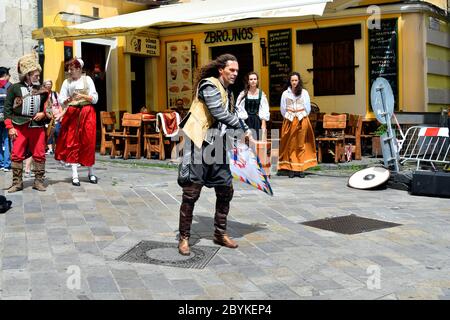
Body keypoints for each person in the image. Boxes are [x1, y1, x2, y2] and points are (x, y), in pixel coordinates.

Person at [177, 53, 253, 256]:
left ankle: (220, 233)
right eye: (231, 70)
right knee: (191, 192)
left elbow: (227, 117)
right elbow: (218, 112)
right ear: (221, 70)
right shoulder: (209, 85)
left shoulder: (229, 92)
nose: (235, 74)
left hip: (217, 144)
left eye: (237, 71)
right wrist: (243, 127)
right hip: (199, 142)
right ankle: (184, 238)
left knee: (225, 189)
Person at [3, 52, 51, 192]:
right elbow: (7, 110)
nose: (38, 77)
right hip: (19, 126)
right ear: (27, 75)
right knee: (16, 154)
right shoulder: (14, 88)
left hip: (37, 127)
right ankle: (17, 183)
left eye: (38, 74)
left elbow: (48, 108)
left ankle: (38, 181)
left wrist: (43, 114)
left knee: (39, 153)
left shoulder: (42, 90)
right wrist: (10, 127)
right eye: (35, 75)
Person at [55, 58, 98, 186]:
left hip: (87, 112)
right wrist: (68, 100)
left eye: (72, 69)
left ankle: (91, 172)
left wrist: (83, 96)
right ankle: (75, 174)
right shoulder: (66, 82)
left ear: (79, 69)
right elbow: (61, 99)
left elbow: (95, 98)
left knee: (88, 142)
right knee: (72, 142)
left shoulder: (88, 79)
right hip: (72, 113)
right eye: (69, 69)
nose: (69, 72)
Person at [278, 72, 317, 178]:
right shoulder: (285, 93)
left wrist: (302, 116)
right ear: (289, 81)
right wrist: (288, 116)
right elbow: (282, 108)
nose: (294, 82)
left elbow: (307, 108)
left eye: (296, 80)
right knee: (291, 144)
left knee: (301, 144)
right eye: (292, 80)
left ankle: (300, 169)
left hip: (302, 119)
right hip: (290, 120)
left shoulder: (304, 92)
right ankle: (291, 168)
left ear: (298, 81)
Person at [236, 72, 270, 140]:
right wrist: (242, 122)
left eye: (255, 79)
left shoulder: (261, 94)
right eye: (251, 79)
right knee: (246, 141)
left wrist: (263, 124)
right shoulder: (243, 94)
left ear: (257, 81)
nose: (253, 81)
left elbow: (264, 109)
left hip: (257, 121)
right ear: (248, 81)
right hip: (246, 120)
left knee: (258, 140)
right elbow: (239, 108)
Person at [43, 79, 62, 155]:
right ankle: (50, 149)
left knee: (57, 131)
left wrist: (61, 115)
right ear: (44, 85)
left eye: (50, 84)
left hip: (56, 116)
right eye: (47, 84)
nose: (48, 85)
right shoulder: (43, 94)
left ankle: (57, 148)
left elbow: (60, 105)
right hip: (47, 116)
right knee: (48, 132)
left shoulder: (55, 94)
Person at [0, 67, 12, 172]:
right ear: (6, 75)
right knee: (7, 140)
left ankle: (0, 163)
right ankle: (7, 164)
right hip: (6, 117)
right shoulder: (10, 86)